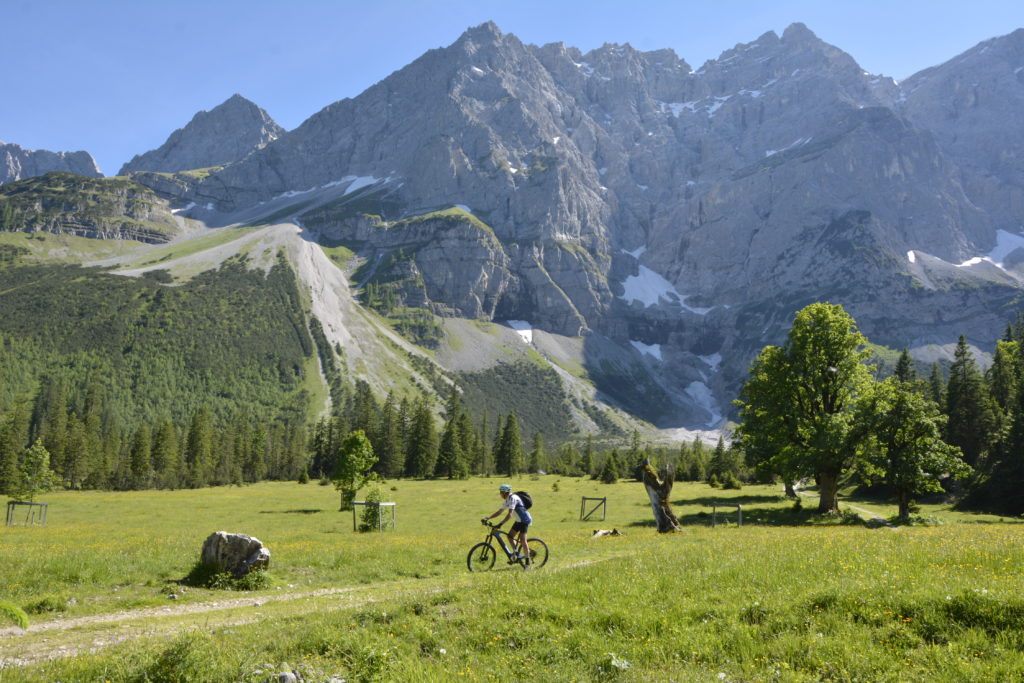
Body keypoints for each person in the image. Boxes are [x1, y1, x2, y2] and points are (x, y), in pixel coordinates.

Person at [482, 483, 532, 565]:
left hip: (524, 520)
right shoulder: (507, 500)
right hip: (519, 520)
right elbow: (499, 512)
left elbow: (510, 514)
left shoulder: (513, 498)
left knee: (523, 540)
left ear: (505, 492)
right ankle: (516, 554)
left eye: (501, 492)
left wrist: (500, 524)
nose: (500, 494)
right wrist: (488, 518)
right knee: (510, 537)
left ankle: (527, 561)